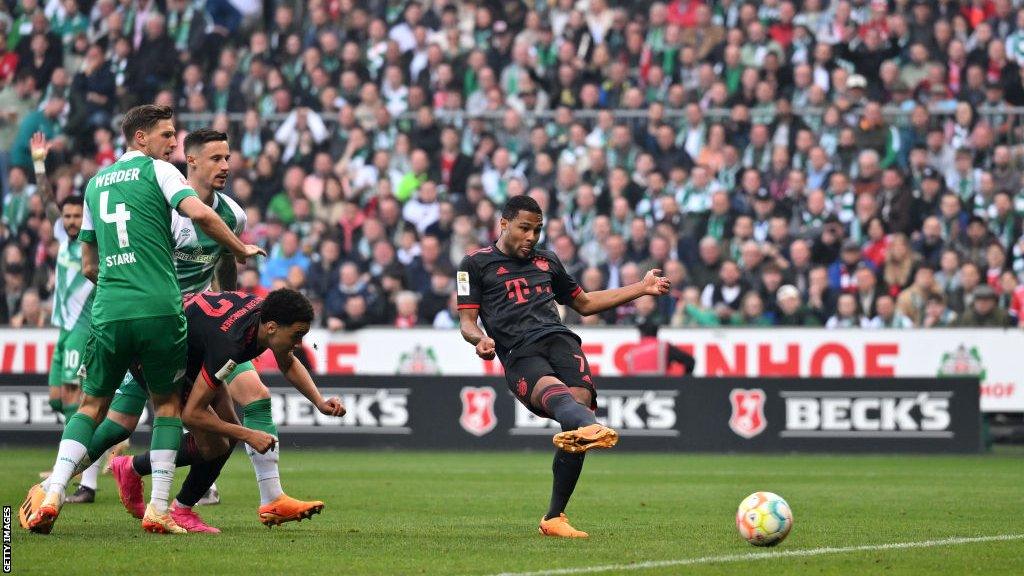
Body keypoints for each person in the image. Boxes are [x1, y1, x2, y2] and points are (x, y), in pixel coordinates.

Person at [22, 105, 264, 535]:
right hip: (161, 309)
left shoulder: (95, 184)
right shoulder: (161, 172)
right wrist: (240, 249)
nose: (174, 143)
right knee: (169, 405)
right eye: (167, 135)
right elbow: (203, 215)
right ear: (141, 138)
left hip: (110, 308)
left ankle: (53, 491)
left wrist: (122, 277)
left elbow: (89, 265)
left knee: (92, 407)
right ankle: (158, 509)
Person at [457, 195, 670, 538]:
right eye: (525, 228)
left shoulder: (548, 261)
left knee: (577, 412)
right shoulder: (473, 264)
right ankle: (592, 427)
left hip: (560, 340)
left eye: (537, 230)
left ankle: (554, 518)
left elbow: (584, 304)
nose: (531, 237)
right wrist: (478, 339)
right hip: (519, 352)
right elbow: (467, 321)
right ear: (504, 224)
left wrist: (642, 289)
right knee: (562, 403)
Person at [111, 289, 345, 532]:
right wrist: (247, 434)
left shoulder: (264, 319)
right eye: (297, 335)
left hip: (196, 353)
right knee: (218, 442)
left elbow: (287, 361)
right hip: (161, 360)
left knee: (225, 439)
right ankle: (150, 484)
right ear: (272, 328)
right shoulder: (230, 344)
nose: (299, 343)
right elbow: (193, 414)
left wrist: (318, 401)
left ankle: (155, 487)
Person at [29, 132, 110, 503]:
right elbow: (46, 199)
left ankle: (82, 477)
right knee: (57, 399)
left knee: (80, 402)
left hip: (83, 329)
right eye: (68, 215)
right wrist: (40, 164)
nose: (73, 220)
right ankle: (80, 456)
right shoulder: (63, 238)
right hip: (62, 330)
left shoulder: (94, 243)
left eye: (78, 215)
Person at [623, 321, 696, 375]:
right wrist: (685, 381)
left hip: (636, 390)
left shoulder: (631, 351)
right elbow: (690, 361)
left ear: (641, 334)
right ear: (656, 333)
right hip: (661, 388)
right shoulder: (663, 347)